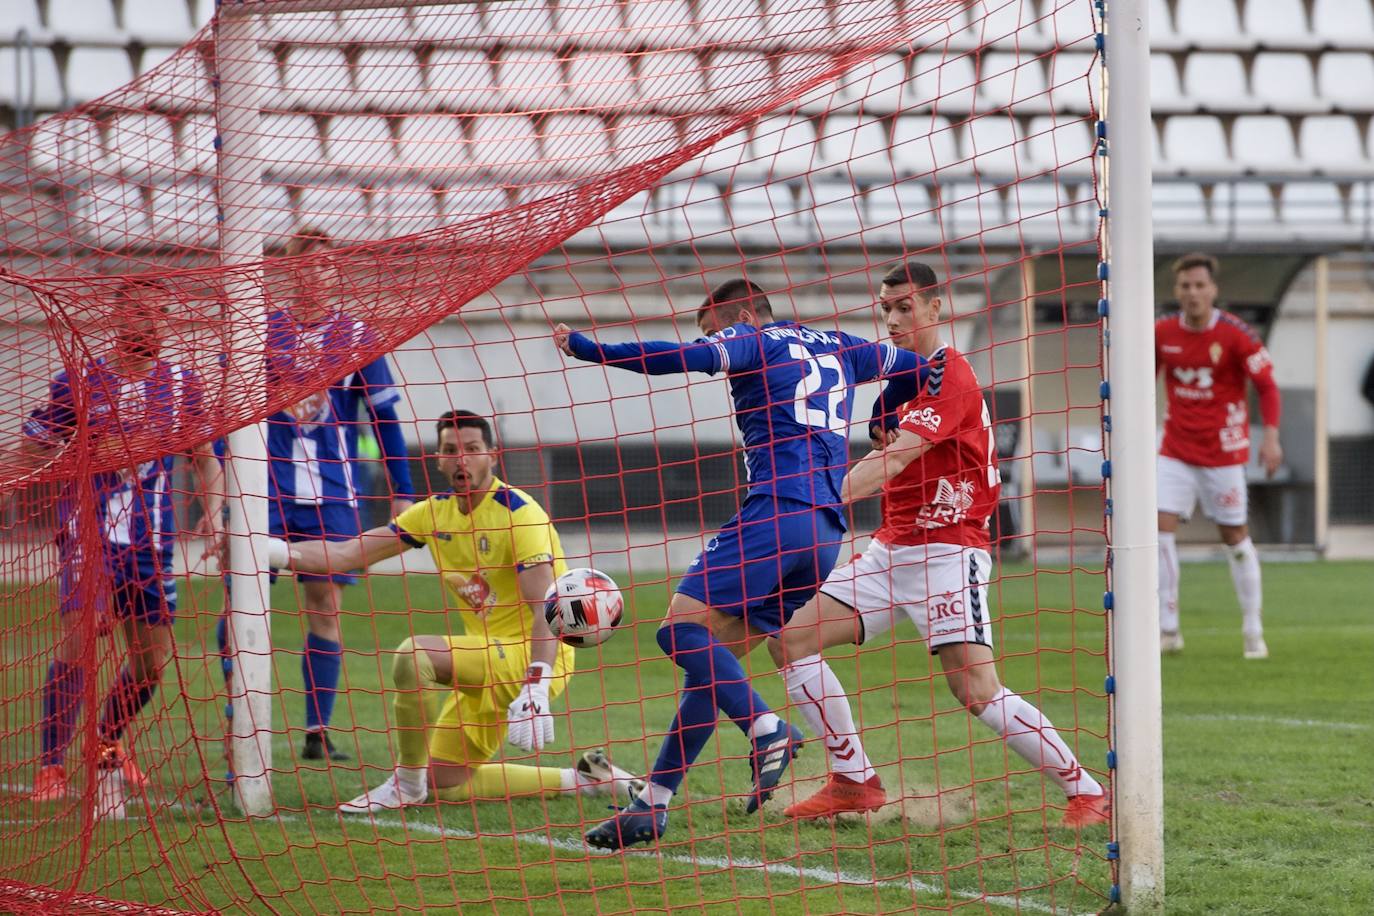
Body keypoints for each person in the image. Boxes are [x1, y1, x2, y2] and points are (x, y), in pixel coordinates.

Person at [553, 277, 929, 850]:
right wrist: (882, 413)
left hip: (776, 512)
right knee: (712, 663)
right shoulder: (843, 345)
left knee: (677, 629)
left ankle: (765, 727)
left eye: (716, 329)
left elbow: (675, 359)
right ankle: (650, 807)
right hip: (827, 531)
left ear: (744, 314)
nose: (716, 344)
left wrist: (588, 348)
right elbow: (915, 367)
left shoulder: (757, 341)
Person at [768, 261, 1111, 827]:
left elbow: (895, 456)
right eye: (886, 309)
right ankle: (854, 779)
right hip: (890, 550)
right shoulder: (894, 382)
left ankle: (1086, 791)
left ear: (935, 309)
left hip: (950, 552)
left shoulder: (948, 373)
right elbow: (886, 453)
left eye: (906, 307)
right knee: (789, 637)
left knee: (976, 691)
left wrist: (814, 500)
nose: (895, 319)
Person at [282, 410, 643, 812]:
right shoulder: (432, 513)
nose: (461, 459)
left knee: (413, 656)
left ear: (492, 455)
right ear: (437, 459)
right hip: (486, 655)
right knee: (444, 782)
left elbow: (545, 606)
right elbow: (345, 554)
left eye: (472, 449)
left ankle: (404, 783)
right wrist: (273, 551)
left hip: (535, 657)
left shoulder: (519, 514)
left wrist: (536, 683)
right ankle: (588, 782)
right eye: (450, 450)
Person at [219, 227, 418, 764]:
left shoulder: (357, 336)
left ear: (337, 273)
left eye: (326, 266)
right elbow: (225, 417)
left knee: (325, 607)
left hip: (335, 494)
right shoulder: (258, 333)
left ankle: (316, 731)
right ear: (289, 271)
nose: (316, 274)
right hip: (266, 492)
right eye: (306, 265)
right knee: (243, 602)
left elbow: (384, 416)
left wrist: (403, 490)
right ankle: (239, 712)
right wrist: (224, 487)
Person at [22, 278, 224, 801]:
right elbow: (33, 446)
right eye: (137, 313)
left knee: (151, 664)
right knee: (82, 634)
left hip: (151, 543)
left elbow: (206, 458)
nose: (149, 323)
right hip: (89, 532)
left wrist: (215, 513)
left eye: (157, 313)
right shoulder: (79, 381)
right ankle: (51, 766)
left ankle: (106, 744)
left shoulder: (182, 384)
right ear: (117, 319)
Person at [1155, 253, 1282, 659]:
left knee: (1235, 538)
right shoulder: (1162, 333)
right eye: (1185, 286)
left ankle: (1252, 627)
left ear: (1213, 289)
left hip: (1224, 455)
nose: (1192, 293)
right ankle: (1168, 627)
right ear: (1177, 291)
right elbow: (1142, 379)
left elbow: (1267, 387)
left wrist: (1271, 438)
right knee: (1158, 532)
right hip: (1174, 448)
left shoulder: (1237, 335)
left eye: (1199, 285)